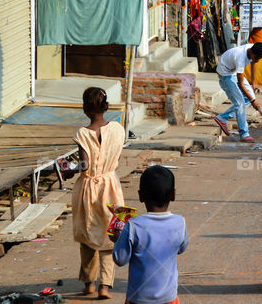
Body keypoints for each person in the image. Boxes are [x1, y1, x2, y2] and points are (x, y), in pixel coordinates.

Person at [71, 87, 125, 299]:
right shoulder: (118, 129)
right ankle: (105, 286)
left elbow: (84, 166)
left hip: (87, 189)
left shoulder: (82, 134)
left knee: (86, 234)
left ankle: (89, 283)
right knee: (110, 236)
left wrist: (68, 170)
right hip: (111, 186)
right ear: (107, 107)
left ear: (85, 109)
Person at [113, 166, 188, 304]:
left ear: (140, 196)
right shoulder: (179, 222)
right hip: (168, 298)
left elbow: (120, 259)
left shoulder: (133, 225)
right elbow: (181, 248)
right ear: (173, 195)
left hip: (138, 299)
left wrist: (118, 240)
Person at [214, 42, 262, 143]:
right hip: (226, 75)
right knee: (240, 103)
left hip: (232, 72)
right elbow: (241, 84)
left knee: (247, 98)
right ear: (251, 52)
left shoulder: (253, 48)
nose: (257, 60)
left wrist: (253, 83)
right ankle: (244, 134)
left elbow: (253, 62)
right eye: (256, 57)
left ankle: (222, 118)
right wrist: (253, 101)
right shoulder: (240, 58)